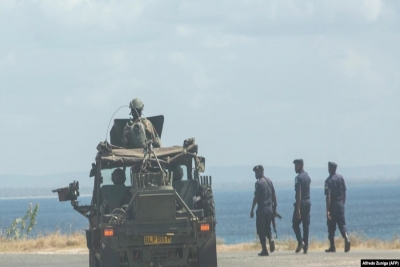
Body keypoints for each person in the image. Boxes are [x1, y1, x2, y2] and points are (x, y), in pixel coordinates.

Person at [250, 165, 277, 256]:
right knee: (267, 227)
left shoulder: (258, 183)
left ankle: (264, 250)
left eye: (257, 172)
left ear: (261, 171)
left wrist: (252, 209)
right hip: (269, 209)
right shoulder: (269, 181)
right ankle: (271, 238)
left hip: (262, 209)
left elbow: (256, 198)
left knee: (260, 229)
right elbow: (274, 195)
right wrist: (275, 207)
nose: (256, 174)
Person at [325, 162, 351, 253]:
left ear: (331, 168)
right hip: (340, 205)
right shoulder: (341, 178)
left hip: (332, 206)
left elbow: (328, 196)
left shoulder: (328, 181)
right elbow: (344, 192)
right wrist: (343, 202)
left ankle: (332, 246)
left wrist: (327, 210)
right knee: (342, 225)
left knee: (331, 226)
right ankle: (346, 238)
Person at [292, 159, 311, 254]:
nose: (295, 168)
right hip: (308, 202)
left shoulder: (298, 178)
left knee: (295, 223)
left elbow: (299, 193)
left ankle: (300, 241)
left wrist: (298, 208)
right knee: (306, 224)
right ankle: (306, 246)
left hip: (301, 202)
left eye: (296, 165)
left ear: (301, 165)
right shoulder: (307, 176)